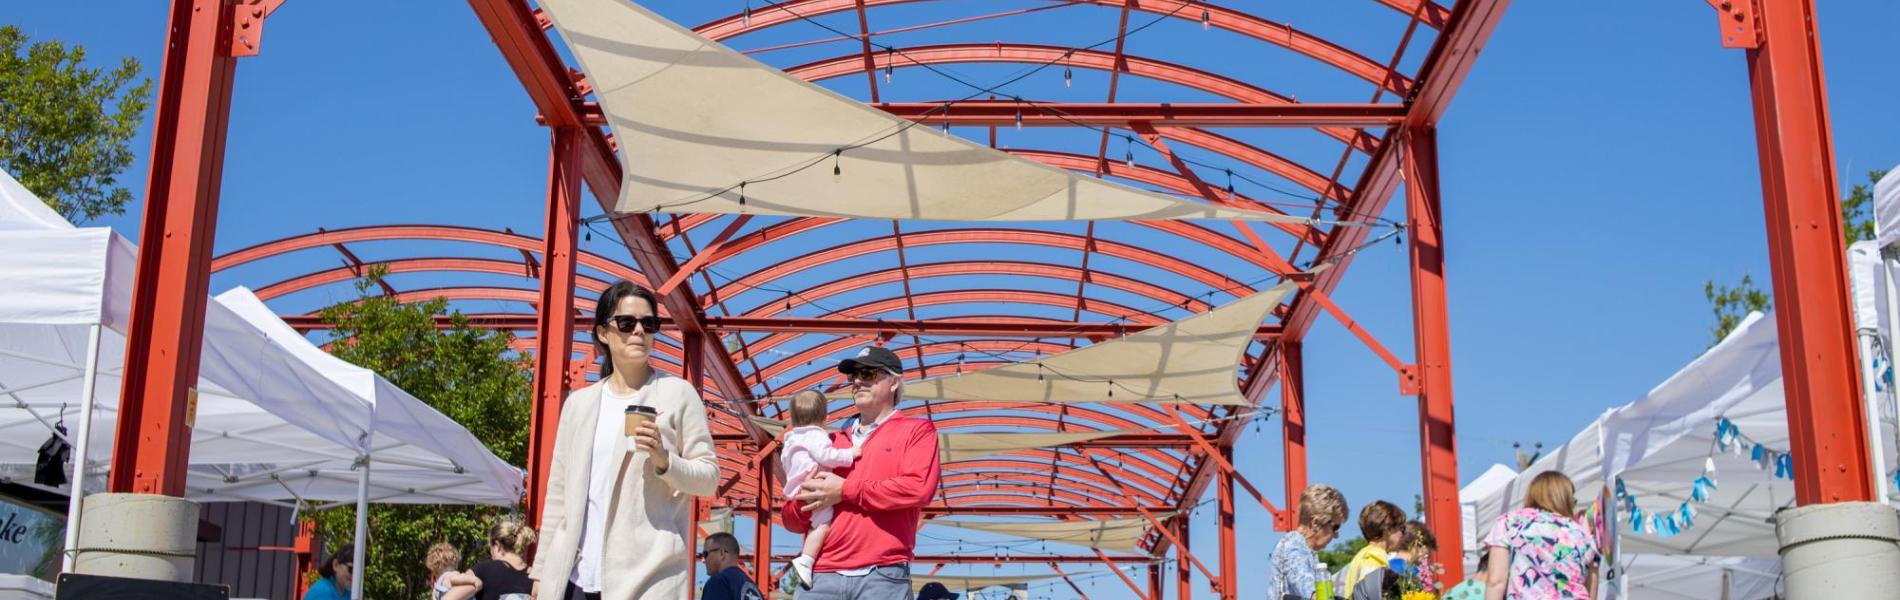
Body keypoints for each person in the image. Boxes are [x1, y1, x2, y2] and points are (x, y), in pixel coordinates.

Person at [530, 281, 722, 600]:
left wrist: (665, 460)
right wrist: (540, 572)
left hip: (648, 579)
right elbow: (558, 496)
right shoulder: (579, 404)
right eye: (627, 323)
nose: (639, 332)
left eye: (649, 324)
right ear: (603, 333)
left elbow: (709, 479)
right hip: (572, 579)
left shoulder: (677, 394)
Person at [781, 345, 943, 600]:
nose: (857, 381)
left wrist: (844, 490)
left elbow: (918, 489)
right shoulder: (826, 441)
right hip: (821, 576)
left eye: (868, 374)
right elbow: (791, 520)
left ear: (894, 382)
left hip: (883, 575)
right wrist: (803, 498)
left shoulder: (917, 431)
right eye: (853, 376)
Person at [781, 389, 861, 588]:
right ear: (825, 418)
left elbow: (785, 462)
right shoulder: (817, 435)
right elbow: (827, 456)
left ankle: (807, 558)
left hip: (797, 488)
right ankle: (806, 559)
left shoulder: (791, 439)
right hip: (816, 483)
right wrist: (850, 454)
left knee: (815, 523)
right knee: (823, 524)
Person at [1483, 471, 1599, 600]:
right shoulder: (1583, 534)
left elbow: (1496, 581)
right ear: (1564, 498)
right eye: (1572, 500)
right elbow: (1591, 589)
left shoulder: (1510, 522)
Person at [1264, 484, 1349, 599]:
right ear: (1316, 523)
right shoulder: (1294, 548)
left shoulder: (1304, 549)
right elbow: (1313, 593)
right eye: (1335, 527)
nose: (1336, 535)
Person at [442, 517, 536, 600]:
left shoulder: (484, 570)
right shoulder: (535, 576)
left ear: (497, 546)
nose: (490, 555)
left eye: (489, 549)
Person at [1340, 500, 1406, 600]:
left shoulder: (1362, 554)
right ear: (1388, 529)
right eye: (1402, 529)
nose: (1403, 535)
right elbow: (1373, 594)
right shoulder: (1375, 557)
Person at [698, 532, 764, 600]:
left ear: (722, 553)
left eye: (705, 554)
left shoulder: (719, 582)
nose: (703, 560)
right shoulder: (755, 589)